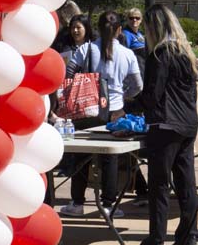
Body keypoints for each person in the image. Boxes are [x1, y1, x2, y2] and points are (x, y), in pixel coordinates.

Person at [128, 5, 198, 245]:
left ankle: (156, 241)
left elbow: (152, 95)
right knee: (186, 183)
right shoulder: (185, 53)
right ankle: (188, 238)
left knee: (159, 186)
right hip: (188, 123)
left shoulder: (160, 55)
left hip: (166, 124)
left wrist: (126, 107)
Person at [59, 11, 143, 218]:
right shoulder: (127, 54)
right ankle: (108, 205)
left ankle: (77, 202)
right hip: (115, 111)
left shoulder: (86, 49)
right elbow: (137, 86)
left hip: (87, 110)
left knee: (81, 157)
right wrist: (123, 95)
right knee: (110, 159)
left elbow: (68, 75)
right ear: (119, 30)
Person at [122, 7, 147, 75]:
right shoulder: (125, 34)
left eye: (137, 18)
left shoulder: (139, 34)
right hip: (135, 71)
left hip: (143, 68)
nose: (134, 20)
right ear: (127, 19)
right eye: (131, 18)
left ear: (141, 20)